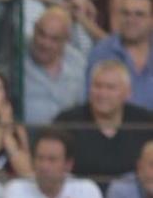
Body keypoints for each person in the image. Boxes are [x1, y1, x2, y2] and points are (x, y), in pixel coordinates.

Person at [56, 59, 153, 188]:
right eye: (97, 86)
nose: (102, 93)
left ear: (127, 93)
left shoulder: (145, 122)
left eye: (110, 87)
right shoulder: (67, 122)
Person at [88, 0, 153, 108]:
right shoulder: (101, 53)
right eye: (126, 13)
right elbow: (91, 105)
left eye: (139, 14)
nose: (131, 19)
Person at [23, 5, 89, 126]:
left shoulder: (78, 62)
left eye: (54, 39)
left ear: (66, 40)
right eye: (41, 34)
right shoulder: (18, 57)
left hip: (67, 139)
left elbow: (84, 107)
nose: (45, 43)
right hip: (27, 137)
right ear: (34, 29)